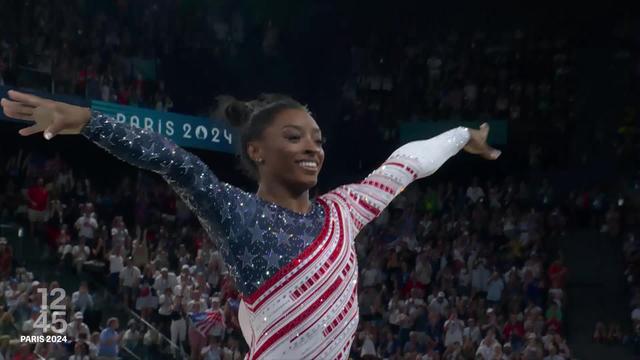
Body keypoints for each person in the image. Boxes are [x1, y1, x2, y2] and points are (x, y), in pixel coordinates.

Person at [1, 90, 500, 359]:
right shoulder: (239, 214)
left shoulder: (343, 210)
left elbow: (406, 164)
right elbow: (175, 163)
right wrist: (89, 120)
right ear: (257, 151)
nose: (313, 147)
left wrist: (460, 136)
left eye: (318, 138)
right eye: (294, 136)